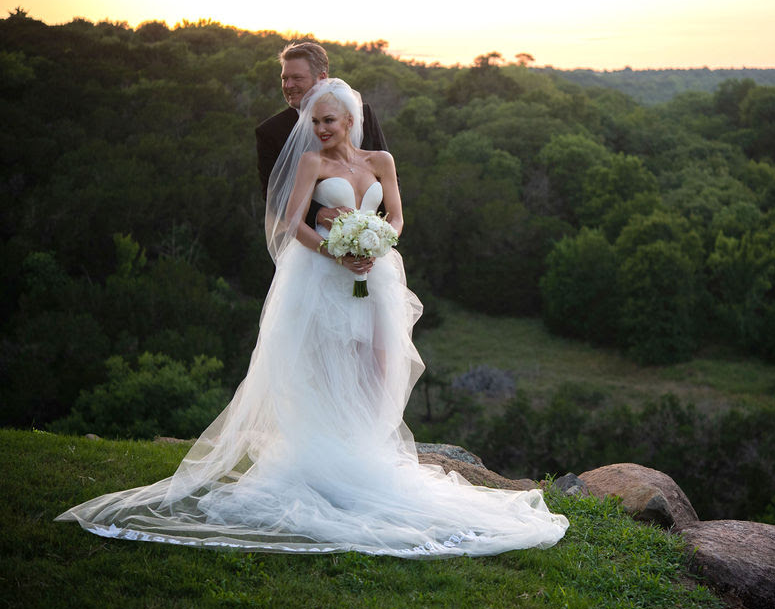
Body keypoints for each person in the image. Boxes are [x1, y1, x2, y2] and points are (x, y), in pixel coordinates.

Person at [56, 79, 568, 557]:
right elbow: (290, 220)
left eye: (328, 121)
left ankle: (366, 456)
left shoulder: (381, 160)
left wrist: (378, 240)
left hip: (376, 277)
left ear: (350, 121)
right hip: (323, 278)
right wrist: (335, 252)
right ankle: (324, 465)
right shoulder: (310, 163)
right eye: (315, 121)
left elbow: (396, 216)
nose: (320, 128)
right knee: (326, 368)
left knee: (377, 368)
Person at [255, 41, 388, 229]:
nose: (288, 85)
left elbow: (388, 178)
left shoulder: (361, 115)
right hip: (311, 237)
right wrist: (319, 214)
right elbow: (274, 195)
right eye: (284, 78)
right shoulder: (271, 132)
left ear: (322, 78)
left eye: (297, 78)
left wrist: (373, 232)